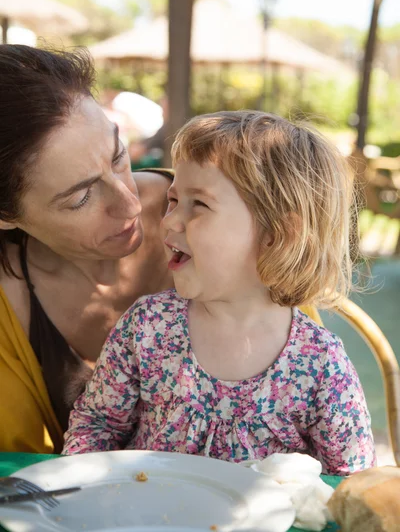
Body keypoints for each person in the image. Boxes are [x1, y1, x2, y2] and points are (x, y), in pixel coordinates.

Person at [62, 111, 376, 476]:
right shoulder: (148, 326)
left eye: (200, 205)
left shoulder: (320, 364)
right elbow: (97, 425)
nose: (168, 220)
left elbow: (350, 482)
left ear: (278, 235)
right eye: (174, 200)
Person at [0, 45, 174, 453]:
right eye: (80, 198)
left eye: (118, 158)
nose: (130, 204)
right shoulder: (8, 304)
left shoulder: (229, 219)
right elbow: (18, 474)